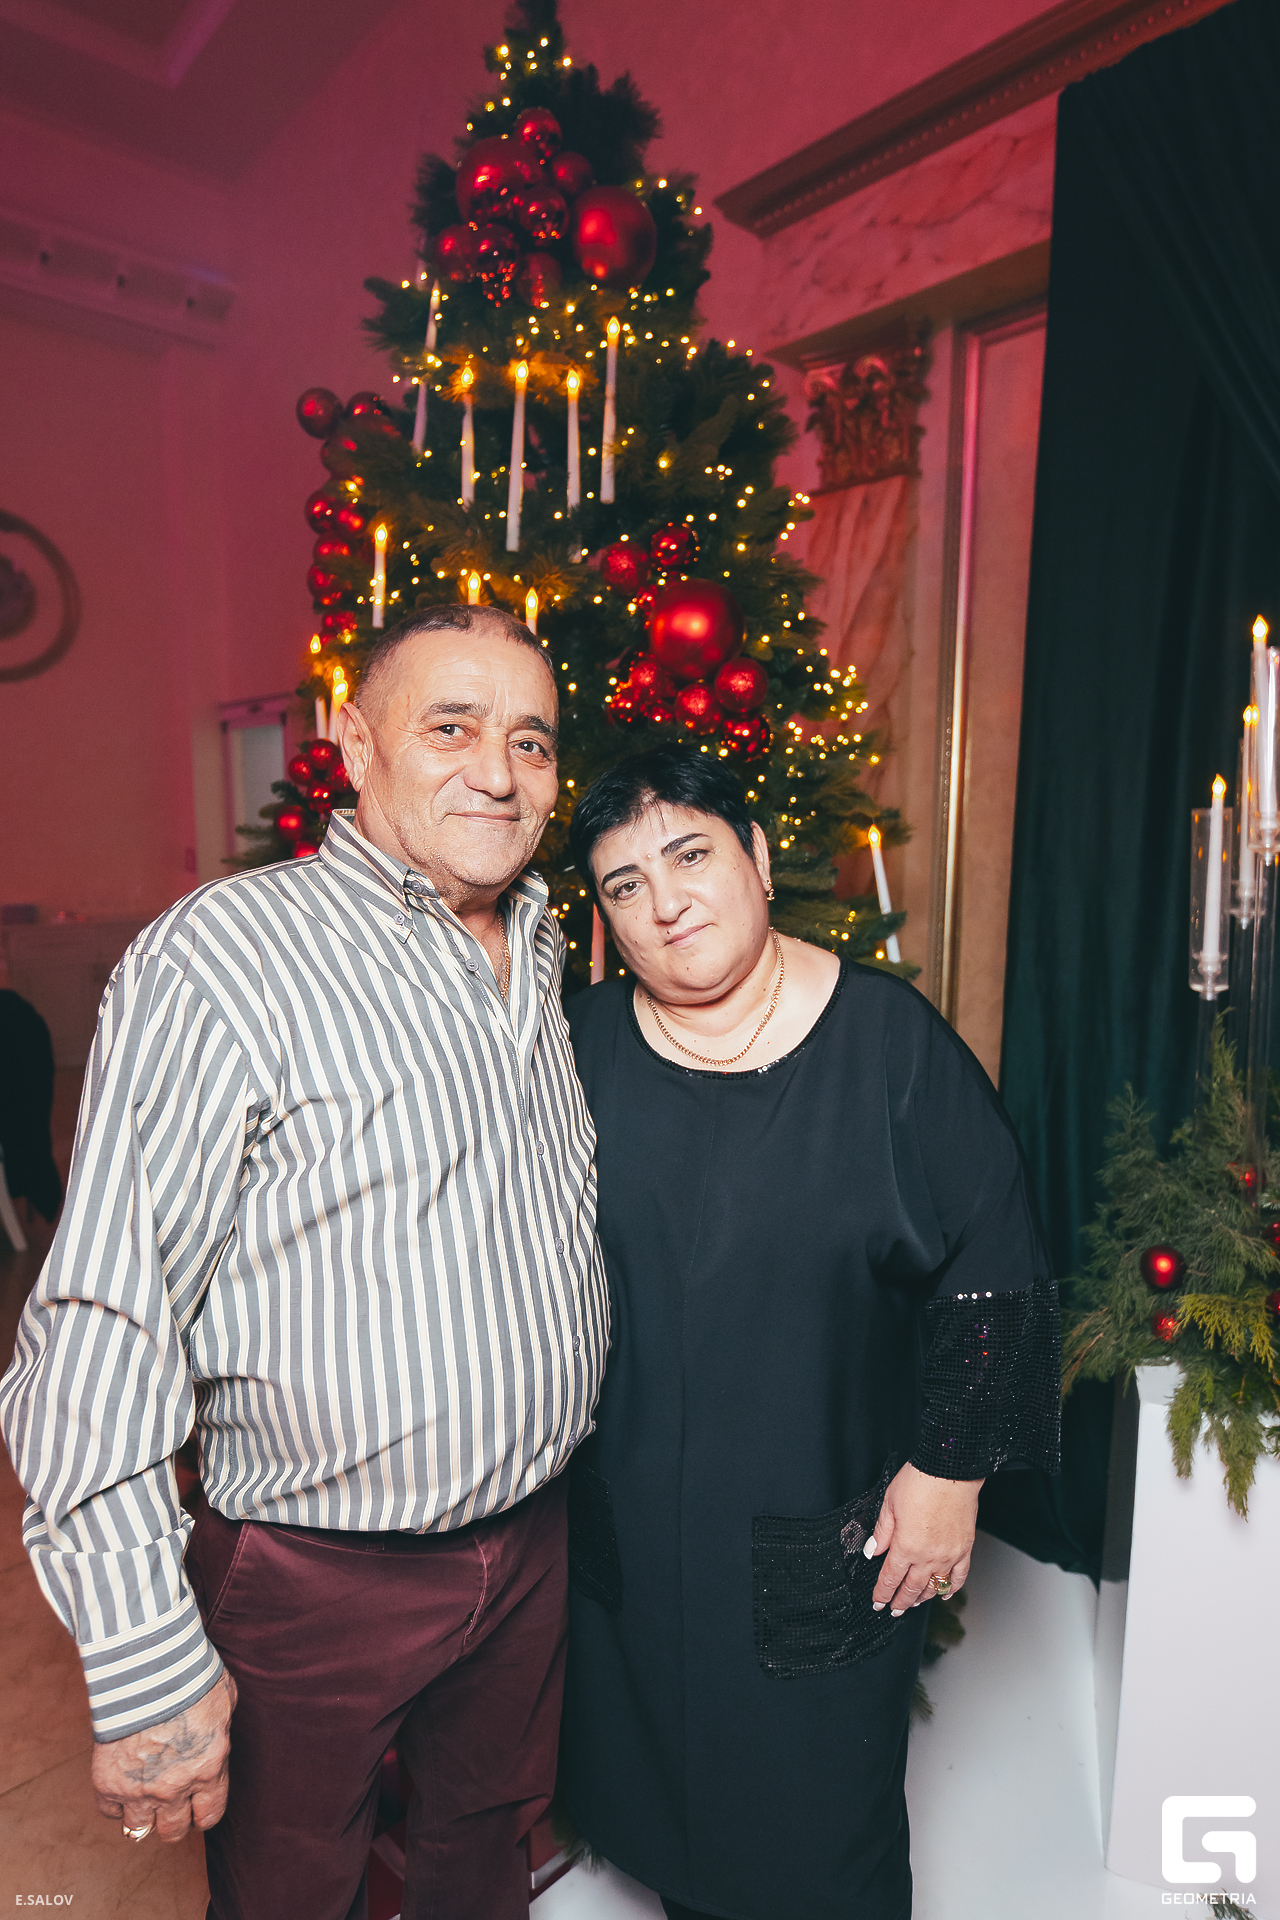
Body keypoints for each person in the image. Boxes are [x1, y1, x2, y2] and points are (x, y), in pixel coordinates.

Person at [0, 605, 609, 1920]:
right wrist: (143, 1654)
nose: (498, 774)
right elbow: (104, 1318)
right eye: (450, 727)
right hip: (313, 1577)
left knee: (479, 1862)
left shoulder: (543, 946)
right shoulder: (230, 957)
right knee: (290, 1893)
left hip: (530, 1546)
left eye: (530, 741)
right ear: (355, 741)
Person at [558, 745, 1060, 1920]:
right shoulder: (578, 1046)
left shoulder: (887, 1045)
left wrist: (947, 1473)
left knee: (820, 1838)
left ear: (757, 856)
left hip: (820, 1525)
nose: (664, 901)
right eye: (625, 883)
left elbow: (995, 1266)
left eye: (688, 855)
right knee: (666, 1819)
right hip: (633, 1536)